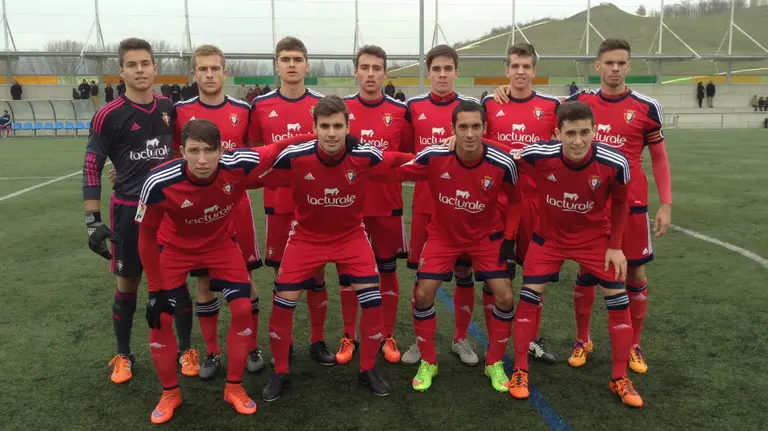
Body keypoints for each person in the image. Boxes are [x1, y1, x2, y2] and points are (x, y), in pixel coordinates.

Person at [136, 119, 297, 423]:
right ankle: (170, 393)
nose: (202, 159)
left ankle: (234, 387)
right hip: (175, 249)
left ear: (222, 150)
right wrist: (155, 290)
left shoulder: (238, 164)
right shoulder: (158, 182)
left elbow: (279, 147)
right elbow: (145, 237)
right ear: (181, 151)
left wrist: (337, 139)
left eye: (209, 150)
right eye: (194, 150)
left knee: (242, 308)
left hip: (221, 246)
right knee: (161, 318)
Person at [259, 95, 414, 402]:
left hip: (350, 237)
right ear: (315, 127)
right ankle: (280, 371)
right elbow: (256, 171)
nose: (331, 133)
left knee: (372, 301)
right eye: (325, 126)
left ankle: (368, 368)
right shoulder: (296, 157)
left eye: (338, 126)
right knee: (283, 301)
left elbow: (401, 161)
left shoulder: (365, 155)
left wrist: (446, 152)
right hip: (306, 238)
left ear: (347, 127)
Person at [507, 101, 641, 407]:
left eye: (584, 132)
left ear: (595, 131)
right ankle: (520, 370)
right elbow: (504, 153)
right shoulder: (539, 154)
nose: (578, 140)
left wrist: (616, 246)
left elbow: (621, 204)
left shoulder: (615, 162)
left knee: (618, 300)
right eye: (570, 133)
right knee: (528, 297)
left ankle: (619, 377)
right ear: (558, 134)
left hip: (594, 239)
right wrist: (459, 140)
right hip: (549, 238)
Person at [395, 101, 521, 393]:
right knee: (423, 293)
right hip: (443, 236)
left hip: (486, 238)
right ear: (452, 129)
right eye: (463, 127)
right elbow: (397, 171)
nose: (469, 133)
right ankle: (429, 361)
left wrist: (509, 240)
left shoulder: (503, 163)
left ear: (485, 128)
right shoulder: (435, 156)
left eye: (476, 127)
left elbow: (516, 201)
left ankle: (494, 362)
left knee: (505, 297)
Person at [563, 38, 671, 375]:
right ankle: (583, 339)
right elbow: (545, 122)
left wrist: (666, 203)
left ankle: (634, 344)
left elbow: (659, 158)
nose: (615, 69)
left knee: (635, 273)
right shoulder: (580, 102)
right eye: (609, 63)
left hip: (633, 204)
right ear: (598, 66)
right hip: (591, 204)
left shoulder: (646, 107)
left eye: (621, 63)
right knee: (586, 271)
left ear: (629, 66)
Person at [81, 38, 174, 385]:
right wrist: (93, 221)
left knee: (173, 281)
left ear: (155, 68)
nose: (140, 70)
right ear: (121, 72)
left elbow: (183, 150)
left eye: (145, 63)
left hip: (168, 210)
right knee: (128, 283)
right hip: (129, 211)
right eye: (132, 65)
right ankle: (124, 354)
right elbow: (92, 166)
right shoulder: (109, 114)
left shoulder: (169, 107)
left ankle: (185, 350)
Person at [169, 44, 266, 379]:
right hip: (197, 212)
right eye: (203, 69)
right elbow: (173, 158)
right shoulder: (180, 111)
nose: (209, 74)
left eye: (215, 68)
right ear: (193, 74)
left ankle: (251, 345)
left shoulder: (244, 110)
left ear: (225, 72)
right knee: (205, 282)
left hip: (236, 206)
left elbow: (254, 155)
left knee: (246, 280)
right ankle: (212, 351)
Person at [248, 36, 334, 365]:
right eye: (285, 59)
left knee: (317, 275)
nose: (292, 65)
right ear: (277, 65)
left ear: (307, 65)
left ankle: (317, 339)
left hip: (316, 204)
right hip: (279, 202)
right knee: (282, 275)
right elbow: (256, 151)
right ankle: (284, 342)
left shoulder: (322, 104)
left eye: (297, 59)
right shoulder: (261, 105)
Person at [402, 44, 481, 366]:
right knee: (423, 278)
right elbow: (407, 155)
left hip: (463, 207)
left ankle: (461, 338)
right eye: (436, 69)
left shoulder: (471, 109)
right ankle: (421, 341)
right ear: (429, 72)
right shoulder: (413, 107)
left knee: (464, 272)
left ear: (456, 72)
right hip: (426, 204)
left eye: (448, 69)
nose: (442, 74)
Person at [335, 45, 413, 365]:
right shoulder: (341, 109)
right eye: (364, 67)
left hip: (387, 205)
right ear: (356, 71)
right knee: (348, 275)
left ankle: (386, 334)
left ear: (385, 73)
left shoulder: (400, 111)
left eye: (376, 68)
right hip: (348, 207)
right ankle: (349, 335)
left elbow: (406, 156)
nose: (370, 74)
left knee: (387, 270)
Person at [484, 42, 562, 364]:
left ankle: (530, 339)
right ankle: (495, 340)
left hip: (535, 203)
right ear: (506, 70)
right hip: (497, 203)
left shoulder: (552, 106)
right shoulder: (490, 103)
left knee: (535, 276)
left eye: (525, 66)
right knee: (494, 275)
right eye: (514, 66)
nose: (520, 71)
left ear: (534, 70)